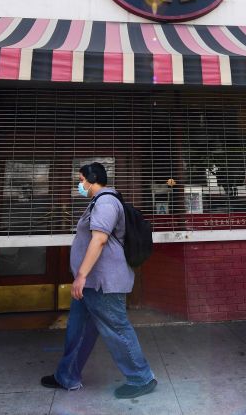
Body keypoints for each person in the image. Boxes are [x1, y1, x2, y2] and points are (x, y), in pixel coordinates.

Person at [41, 162, 157, 399]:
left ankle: (142, 378)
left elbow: (99, 240)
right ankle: (67, 375)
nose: (80, 185)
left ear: (92, 179)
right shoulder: (98, 202)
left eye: (81, 180)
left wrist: (81, 275)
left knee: (117, 329)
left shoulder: (105, 202)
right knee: (78, 331)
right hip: (91, 283)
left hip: (103, 283)